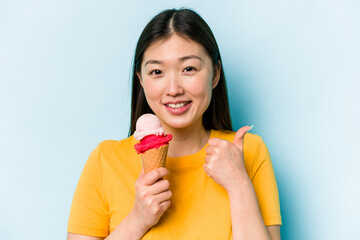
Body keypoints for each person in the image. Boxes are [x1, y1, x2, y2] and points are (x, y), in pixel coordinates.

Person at [67, 8, 282, 240]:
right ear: (141, 80)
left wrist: (239, 186)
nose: (173, 89)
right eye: (157, 71)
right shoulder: (105, 160)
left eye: (188, 69)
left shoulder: (247, 152)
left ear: (215, 74)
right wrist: (137, 220)